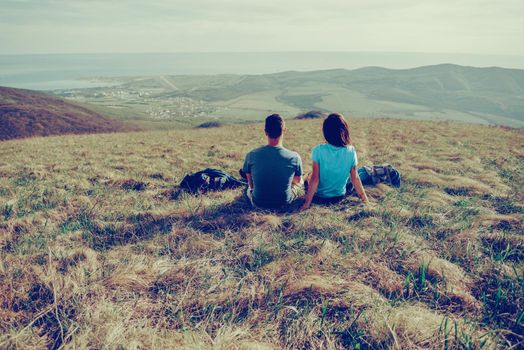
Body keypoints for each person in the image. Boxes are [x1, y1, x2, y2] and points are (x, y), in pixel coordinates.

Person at [301, 113, 368, 210]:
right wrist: (365, 200)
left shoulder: (318, 150)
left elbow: (315, 179)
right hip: (339, 197)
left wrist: (307, 204)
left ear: (326, 132)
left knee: (308, 176)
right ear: (344, 131)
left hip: (320, 198)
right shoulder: (351, 151)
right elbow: (355, 178)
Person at [242, 114, 304, 209]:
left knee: (249, 189)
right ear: (284, 130)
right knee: (301, 181)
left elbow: (251, 184)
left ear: (265, 132)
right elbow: (297, 180)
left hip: (258, 203)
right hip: (284, 203)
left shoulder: (251, 155)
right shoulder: (294, 157)